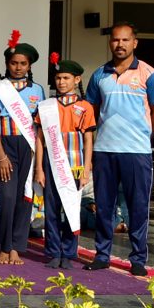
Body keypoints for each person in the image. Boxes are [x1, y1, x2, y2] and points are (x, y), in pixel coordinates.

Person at [83, 21, 154, 276]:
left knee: (137, 207)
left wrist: (144, 134)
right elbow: (90, 111)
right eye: (115, 40)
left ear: (135, 43)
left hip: (136, 152)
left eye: (125, 40)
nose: (120, 44)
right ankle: (102, 255)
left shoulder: (150, 74)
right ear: (110, 43)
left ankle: (138, 259)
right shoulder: (99, 74)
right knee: (104, 206)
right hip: (105, 151)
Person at [0, 30, 46, 265]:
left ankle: (17, 248)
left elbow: (40, 126)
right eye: (14, 63)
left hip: (29, 147)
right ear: (7, 64)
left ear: (29, 65)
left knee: (25, 196)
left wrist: (38, 157)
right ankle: (4, 247)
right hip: (6, 146)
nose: (18, 67)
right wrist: (1, 155)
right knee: (8, 196)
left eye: (23, 63)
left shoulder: (38, 90)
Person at [34, 53, 95, 270]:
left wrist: (86, 169)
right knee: (51, 210)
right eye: (58, 78)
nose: (61, 82)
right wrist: (39, 168)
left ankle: (68, 252)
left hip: (75, 165)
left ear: (77, 80)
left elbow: (88, 140)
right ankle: (53, 252)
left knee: (71, 208)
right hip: (51, 164)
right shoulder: (46, 106)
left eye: (66, 78)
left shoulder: (85, 107)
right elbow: (39, 138)